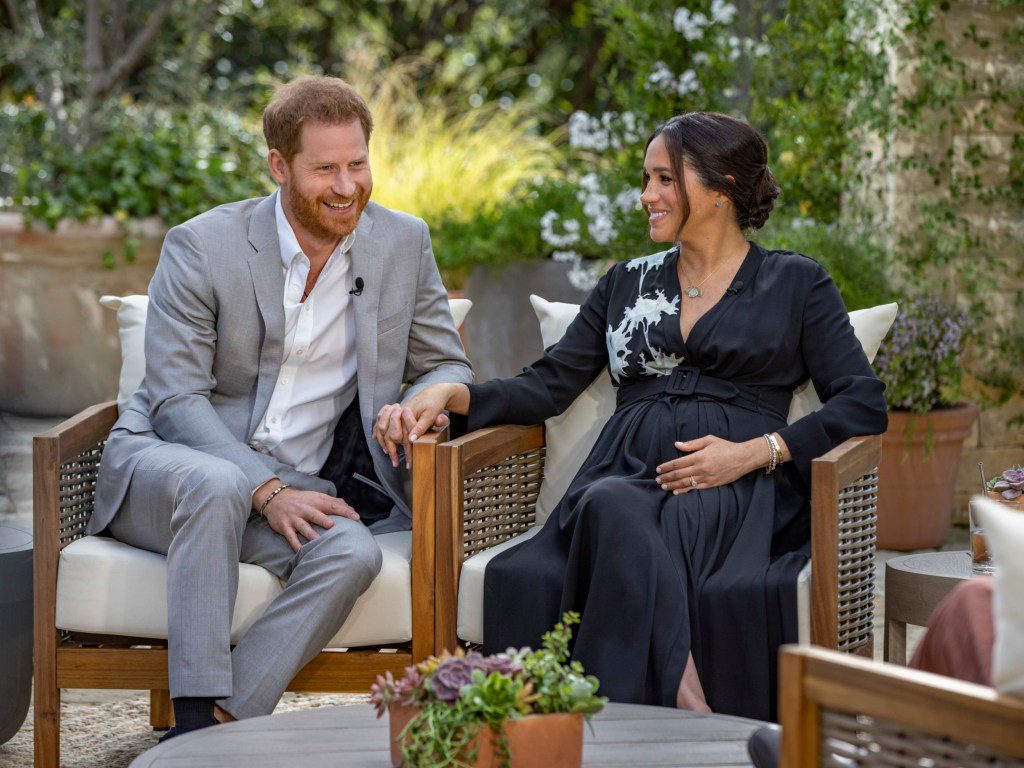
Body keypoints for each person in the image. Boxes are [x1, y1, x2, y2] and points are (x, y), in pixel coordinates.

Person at [381, 112, 888, 720]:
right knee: (607, 503)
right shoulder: (626, 282)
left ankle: (613, 727)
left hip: (732, 487)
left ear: (721, 189)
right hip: (624, 475)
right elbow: (546, 386)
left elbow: (863, 401)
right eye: (646, 179)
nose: (646, 196)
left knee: (611, 507)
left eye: (664, 179)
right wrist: (452, 397)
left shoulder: (795, 283)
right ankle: (684, 696)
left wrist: (755, 453)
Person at [90, 75, 472, 738]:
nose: (347, 186)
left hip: (296, 484)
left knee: (352, 553)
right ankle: (192, 723)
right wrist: (264, 489)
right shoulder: (202, 246)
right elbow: (177, 400)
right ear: (279, 166)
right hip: (171, 468)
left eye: (358, 164)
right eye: (325, 168)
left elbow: (445, 360)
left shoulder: (402, 244)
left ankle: (222, 721)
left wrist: (419, 399)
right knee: (215, 484)